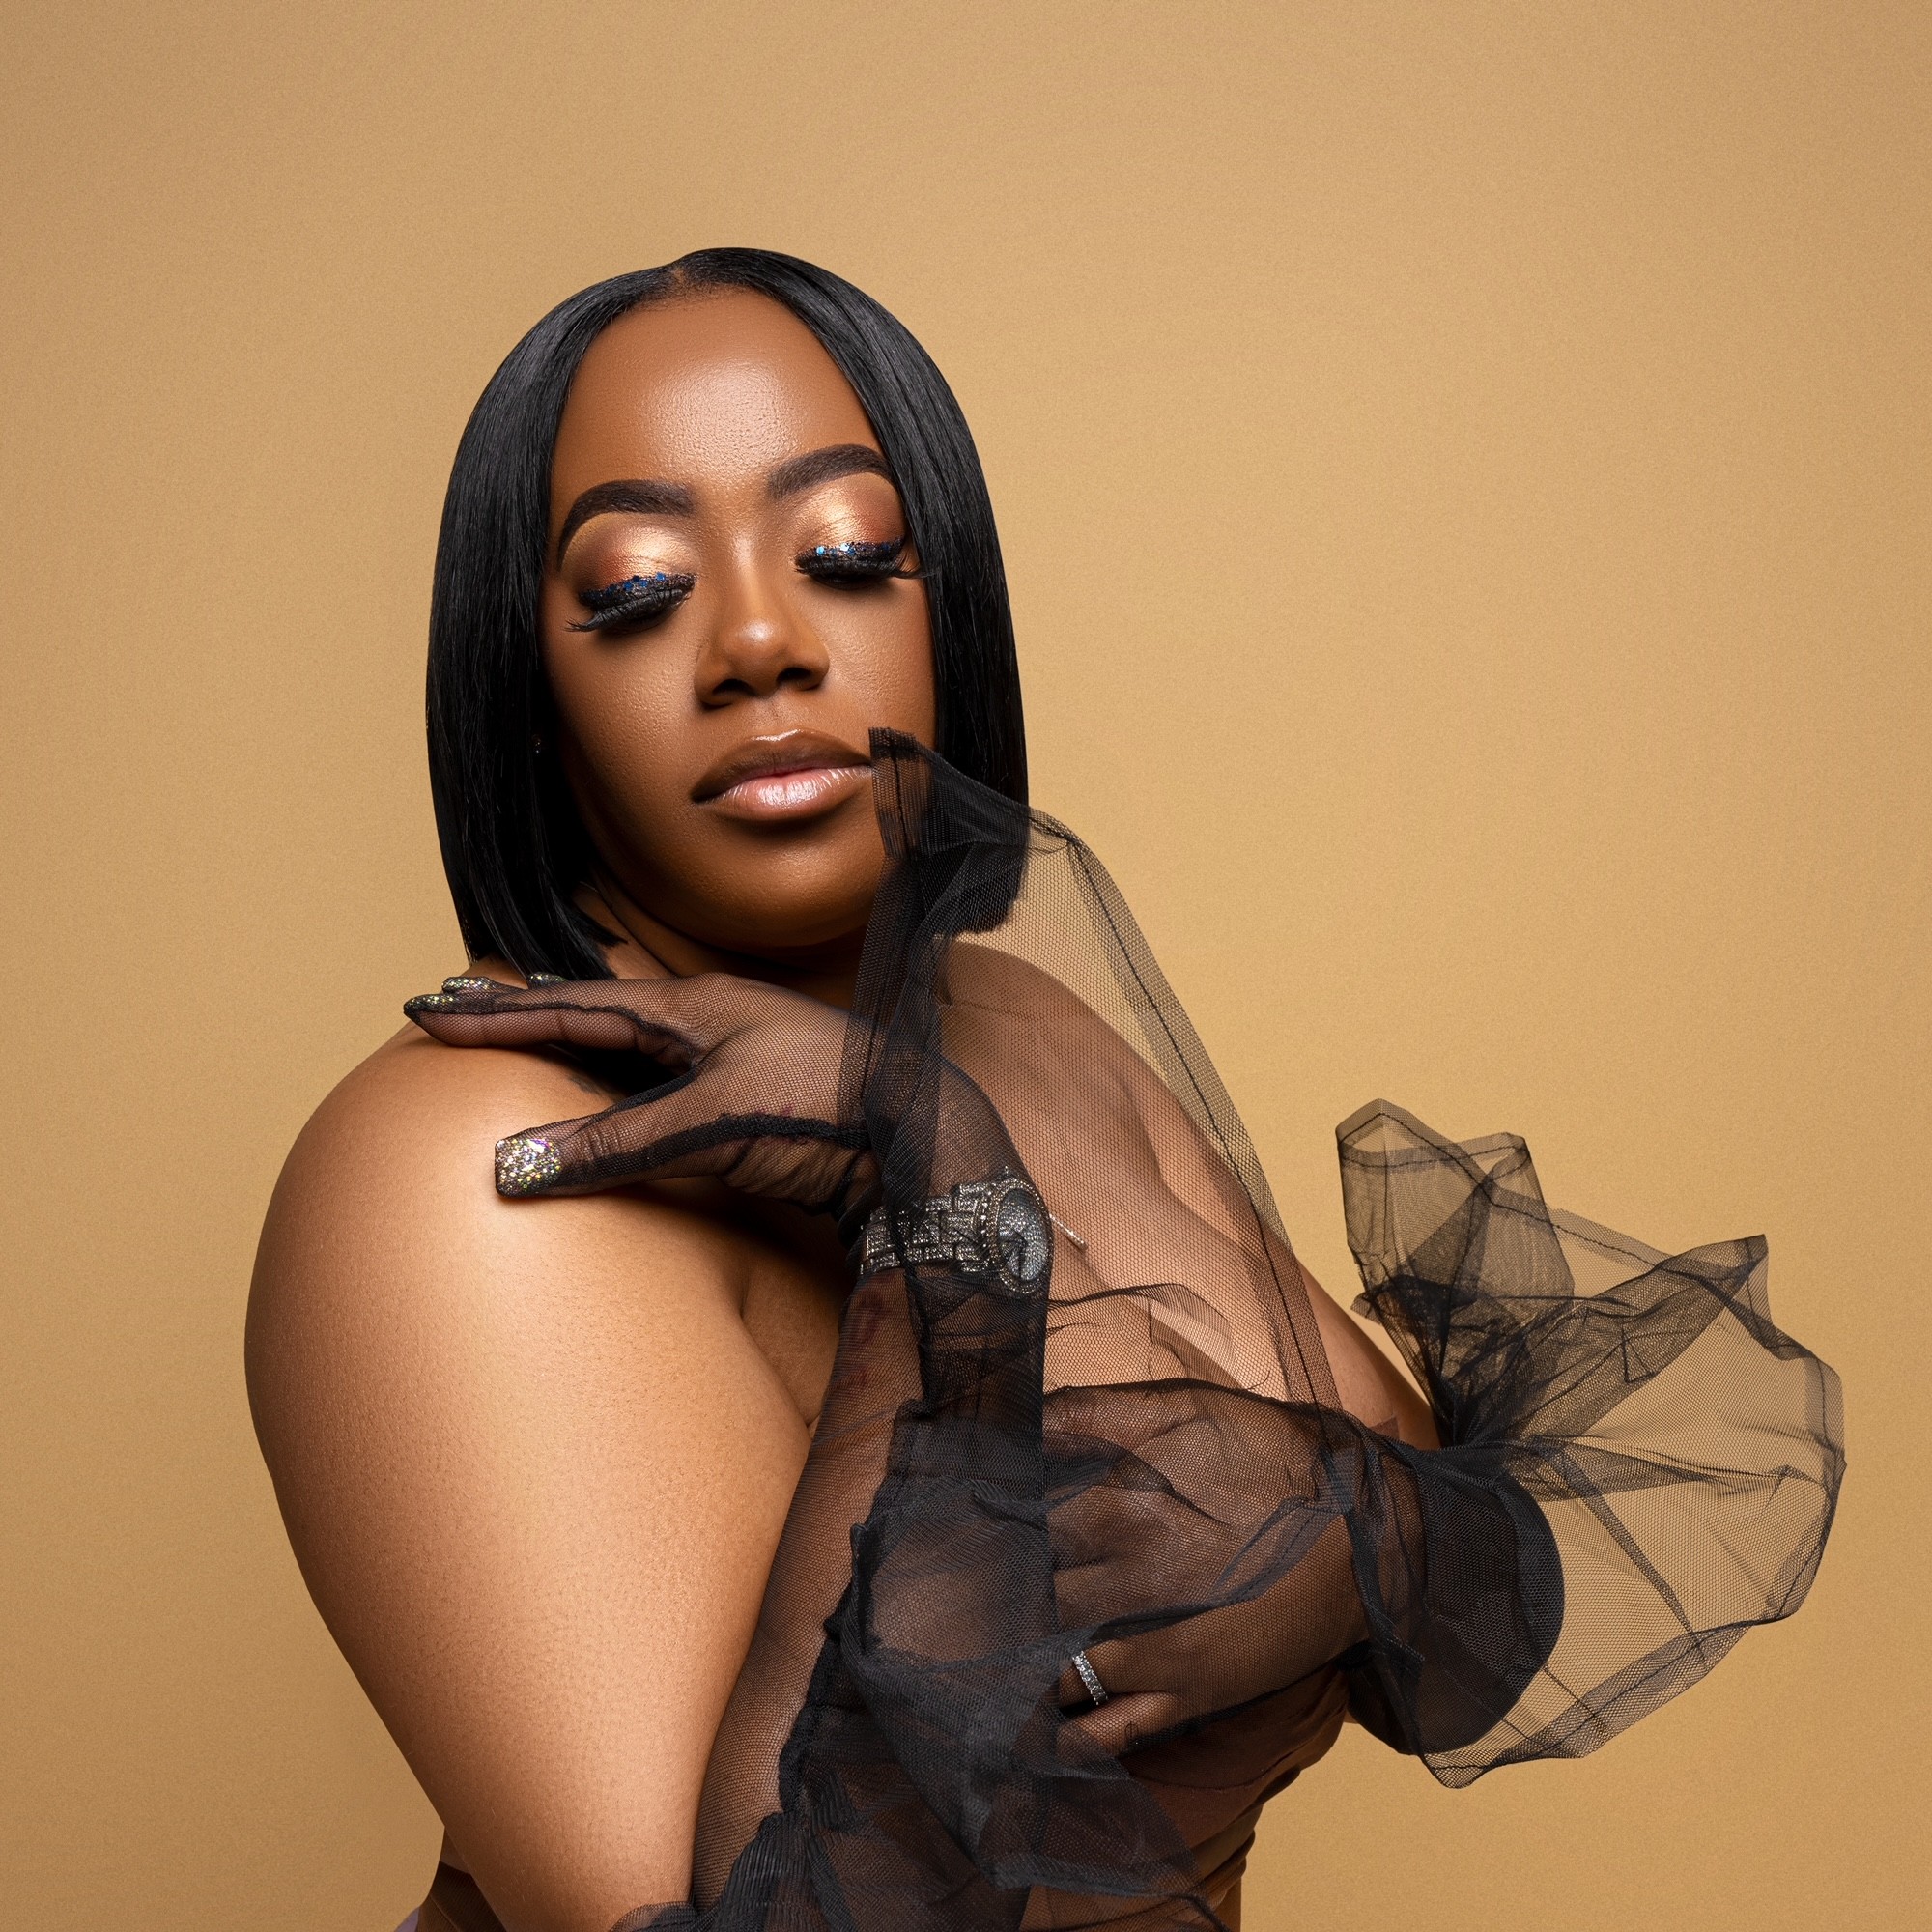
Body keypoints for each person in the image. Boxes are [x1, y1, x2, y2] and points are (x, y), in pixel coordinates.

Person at [246, 251, 1843, 1932]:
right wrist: (948, 1216)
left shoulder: (1017, 1016)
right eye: (640, 591)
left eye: (846, 556)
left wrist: (1354, 1531)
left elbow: (1464, 1621)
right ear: (525, 694)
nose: (761, 642)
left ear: (950, 611)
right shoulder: (477, 1170)